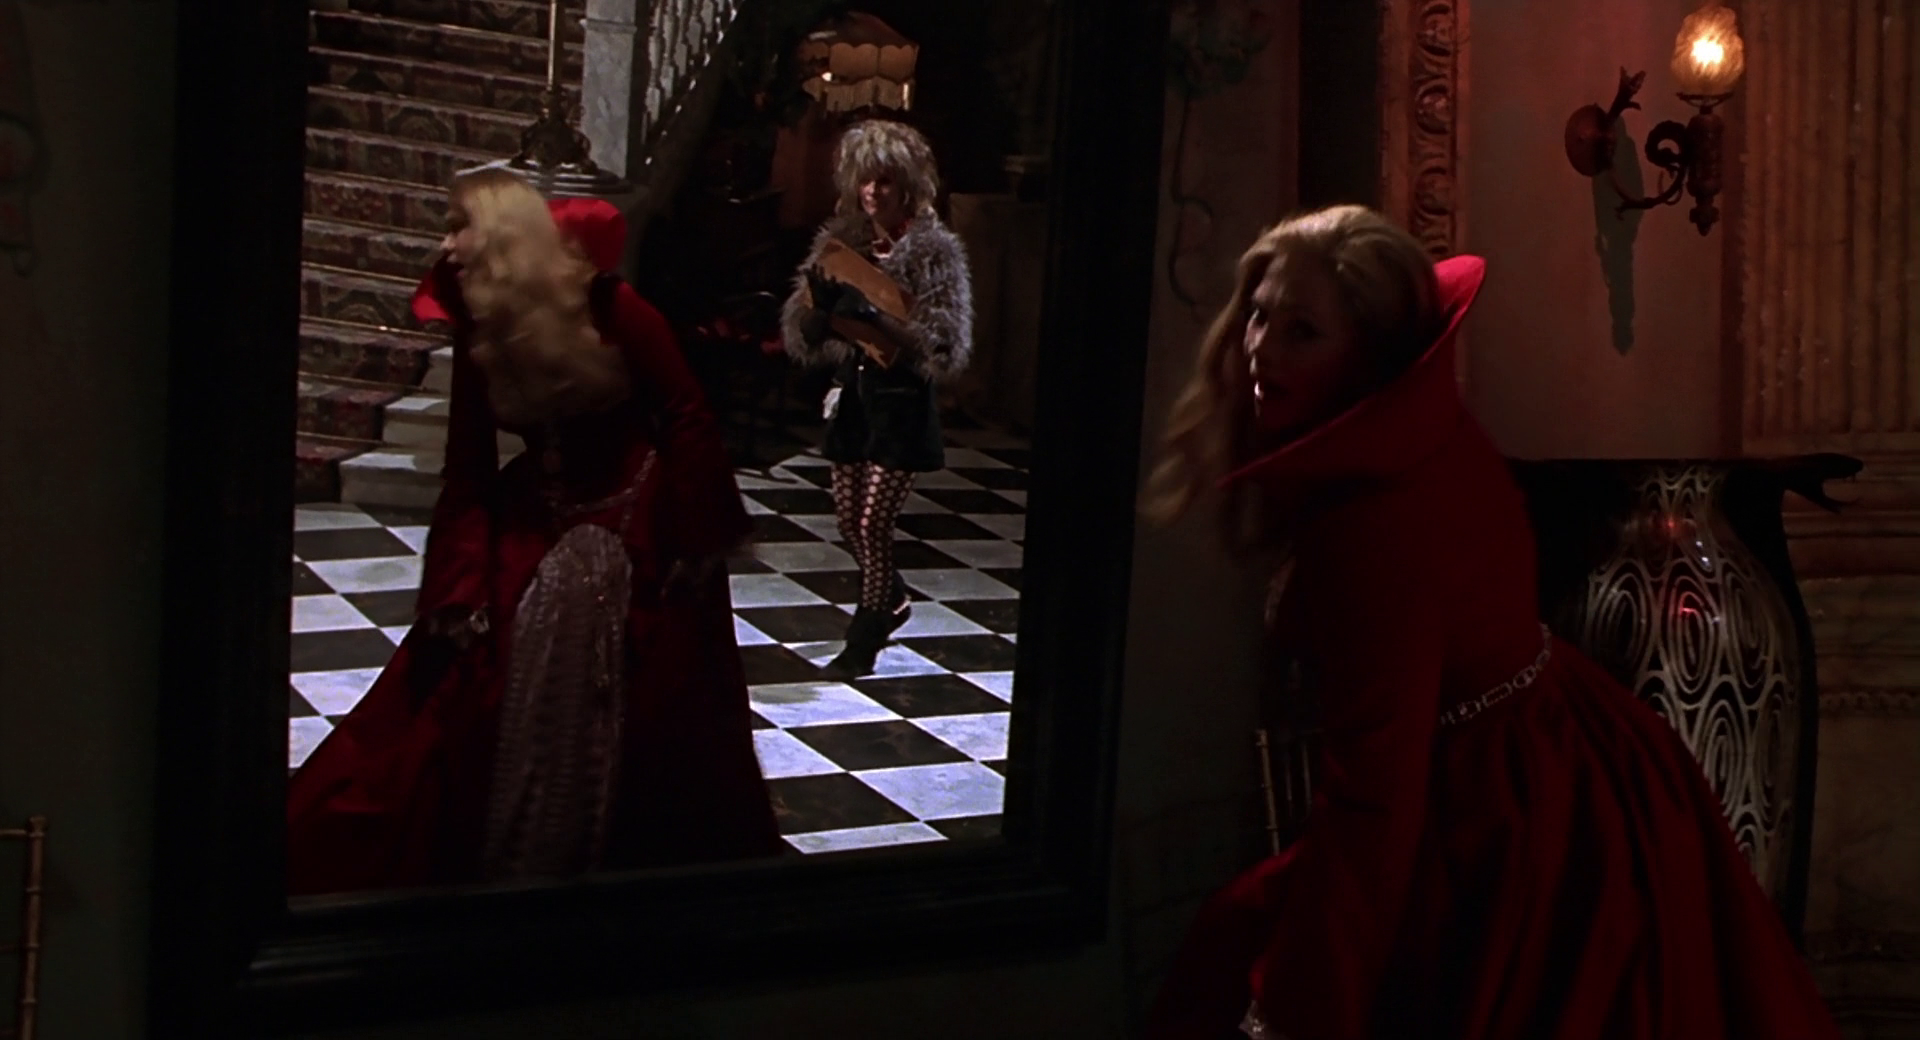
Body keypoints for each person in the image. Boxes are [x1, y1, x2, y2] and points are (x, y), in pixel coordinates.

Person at [1139, 205, 1839, 1039]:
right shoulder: (1419, 436)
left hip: (1505, 815)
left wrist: (1298, 1007)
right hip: (1562, 752)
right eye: (1258, 316)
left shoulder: (1371, 528)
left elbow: (1373, 801)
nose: (1260, 349)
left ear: (1371, 354)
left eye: (1301, 331)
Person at [286, 169, 785, 895]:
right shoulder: (479, 320)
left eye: (458, 227)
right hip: (536, 508)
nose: (445, 245)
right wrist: (459, 582)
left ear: (503, 237)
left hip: (636, 506)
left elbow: (685, 413)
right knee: (457, 685)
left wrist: (694, 534)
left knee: (656, 701)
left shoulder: (610, 304)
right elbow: (468, 463)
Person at [779, 118, 974, 680]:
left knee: (872, 523)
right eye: (865, 180)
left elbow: (944, 344)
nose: (872, 192)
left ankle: (864, 635)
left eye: (884, 181)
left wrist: (878, 318)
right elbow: (801, 331)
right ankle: (892, 596)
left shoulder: (933, 251)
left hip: (902, 402)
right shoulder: (844, 242)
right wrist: (820, 316)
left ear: (908, 185)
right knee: (847, 520)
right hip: (855, 396)